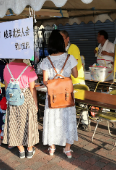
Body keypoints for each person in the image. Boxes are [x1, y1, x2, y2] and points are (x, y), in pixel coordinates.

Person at [40, 30, 78, 158]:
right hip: (67, 96)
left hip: (53, 96)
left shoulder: (46, 60)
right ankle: (67, 149)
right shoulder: (70, 58)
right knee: (68, 120)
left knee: (52, 120)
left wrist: (55, 81)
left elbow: (45, 81)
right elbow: (76, 75)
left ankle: (52, 147)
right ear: (62, 43)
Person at [2, 59, 39, 159]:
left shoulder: (7, 67)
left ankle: (21, 150)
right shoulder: (29, 69)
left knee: (15, 123)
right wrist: (35, 103)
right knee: (28, 122)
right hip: (25, 97)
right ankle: (30, 150)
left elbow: (6, 86)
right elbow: (32, 88)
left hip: (12, 97)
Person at [60, 30, 89, 132]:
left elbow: (74, 63)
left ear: (68, 39)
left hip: (77, 79)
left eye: (62, 38)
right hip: (66, 81)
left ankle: (85, 122)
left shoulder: (73, 48)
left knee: (82, 102)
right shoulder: (61, 50)